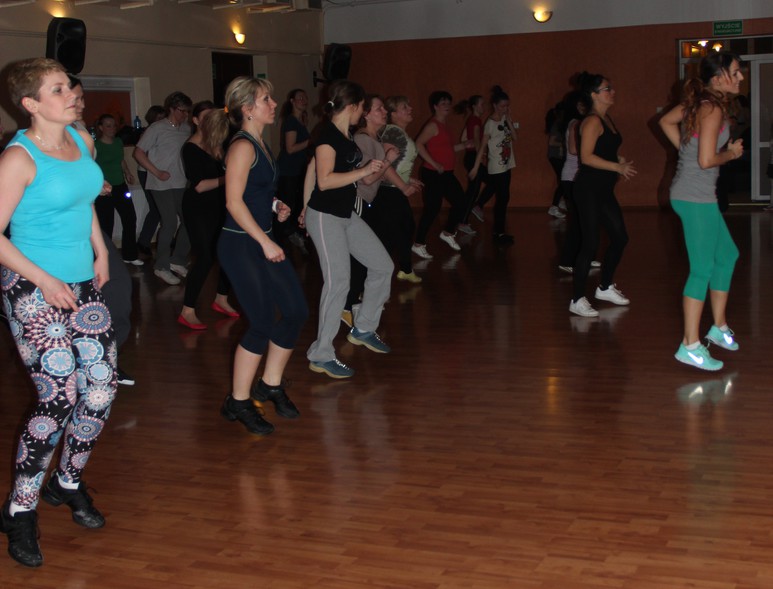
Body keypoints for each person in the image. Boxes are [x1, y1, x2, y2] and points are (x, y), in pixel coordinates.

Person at [0, 57, 117, 568]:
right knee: (59, 395)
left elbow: (84, 198)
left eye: (69, 85)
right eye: (58, 89)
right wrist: (45, 281)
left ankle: (66, 482)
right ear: (30, 104)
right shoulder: (18, 159)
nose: (72, 93)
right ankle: (19, 509)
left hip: (81, 281)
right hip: (31, 283)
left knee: (101, 388)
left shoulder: (82, 142)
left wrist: (102, 249)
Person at [215, 76, 309, 434]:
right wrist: (266, 241)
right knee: (261, 322)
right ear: (247, 108)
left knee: (297, 310)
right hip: (241, 245)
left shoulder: (260, 143)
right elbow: (233, 202)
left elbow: (252, 194)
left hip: (261, 238)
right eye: (266, 99)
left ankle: (269, 384)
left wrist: (274, 204)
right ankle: (238, 402)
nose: (273, 104)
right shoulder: (242, 147)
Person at [300, 80, 394, 379]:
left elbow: (348, 179)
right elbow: (323, 179)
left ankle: (364, 327)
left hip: (345, 214)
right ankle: (321, 354)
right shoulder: (327, 136)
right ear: (352, 106)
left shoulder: (346, 135)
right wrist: (307, 208)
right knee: (338, 282)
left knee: (383, 266)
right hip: (326, 216)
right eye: (363, 107)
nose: (364, 112)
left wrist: (378, 167)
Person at [659, 51, 744, 371]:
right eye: (735, 72)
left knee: (728, 255)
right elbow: (707, 160)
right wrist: (731, 153)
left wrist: (684, 149)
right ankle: (689, 345)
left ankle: (717, 328)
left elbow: (665, 120)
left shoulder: (704, 103)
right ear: (718, 76)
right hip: (694, 197)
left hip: (696, 194)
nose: (739, 78)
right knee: (702, 269)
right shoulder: (711, 109)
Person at [569, 71, 637, 317]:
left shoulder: (606, 119)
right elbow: (585, 157)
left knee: (620, 237)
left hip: (604, 190)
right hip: (588, 190)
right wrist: (616, 166)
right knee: (590, 244)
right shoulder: (591, 122)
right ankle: (577, 299)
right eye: (608, 89)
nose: (613, 92)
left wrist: (616, 158)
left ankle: (605, 287)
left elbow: (603, 149)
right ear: (594, 95)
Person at [178, 101, 238, 330]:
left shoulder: (218, 143)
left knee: (229, 253)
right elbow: (200, 185)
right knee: (204, 258)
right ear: (195, 121)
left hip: (220, 205)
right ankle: (187, 310)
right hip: (198, 208)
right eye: (205, 117)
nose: (211, 121)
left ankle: (221, 299)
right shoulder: (190, 147)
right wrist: (230, 177)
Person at [343, 95, 403, 321]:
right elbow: (367, 179)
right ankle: (348, 306)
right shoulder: (362, 139)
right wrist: (388, 160)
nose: (384, 112)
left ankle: (355, 301)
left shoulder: (373, 139)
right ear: (366, 114)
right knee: (360, 257)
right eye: (379, 109)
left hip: (367, 201)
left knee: (370, 253)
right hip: (357, 200)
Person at [133, 92, 192, 286]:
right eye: (182, 111)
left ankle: (178, 260)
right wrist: (156, 172)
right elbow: (138, 153)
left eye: (187, 112)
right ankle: (161, 267)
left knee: (189, 221)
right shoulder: (157, 128)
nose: (185, 115)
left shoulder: (186, 129)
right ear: (172, 109)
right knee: (169, 223)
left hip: (180, 182)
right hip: (160, 183)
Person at [413, 90, 471, 258]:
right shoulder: (432, 125)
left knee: (461, 202)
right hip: (432, 173)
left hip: (445, 174)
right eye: (443, 103)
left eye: (448, 103)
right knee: (432, 209)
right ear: (435, 106)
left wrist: (464, 145)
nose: (447, 106)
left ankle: (447, 233)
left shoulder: (444, 126)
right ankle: (418, 243)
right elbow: (418, 144)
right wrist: (434, 163)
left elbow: (447, 150)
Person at [379, 95, 424, 282]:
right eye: (404, 107)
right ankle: (379, 276)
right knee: (395, 232)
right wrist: (404, 186)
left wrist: (408, 179)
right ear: (393, 114)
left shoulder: (398, 132)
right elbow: (385, 164)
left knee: (402, 229)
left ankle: (403, 269)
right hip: (388, 190)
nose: (410, 109)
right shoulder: (392, 133)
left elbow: (397, 163)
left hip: (393, 188)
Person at [469, 85, 518, 245]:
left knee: (504, 198)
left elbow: (515, 138)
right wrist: (476, 167)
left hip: (506, 163)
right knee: (502, 198)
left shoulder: (504, 119)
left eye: (507, 106)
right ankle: (499, 233)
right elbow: (482, 146)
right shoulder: (489, 124)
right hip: (496, 167)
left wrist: (509, 119)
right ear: (495, 105)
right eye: (503, 106)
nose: (505, 108)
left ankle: (499, 232)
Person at [94, 113, 141, 265]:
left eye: (114, 125)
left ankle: (130, 255)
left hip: (120, 186)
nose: (112, 128)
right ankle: (105, 258)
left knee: (130, 218)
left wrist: (127, 173)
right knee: (106, 224)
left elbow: (121, 160)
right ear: (101, 128)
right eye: (108, 125)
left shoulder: (118, 141)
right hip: (104, 190)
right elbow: (90, 166)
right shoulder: (96, 146)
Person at [276, 88, 311, 249]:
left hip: (296, 170)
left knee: (295, 205)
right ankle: (281, 241)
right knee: (287, 206)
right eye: (299, 98)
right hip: (288, 171)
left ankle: (291, 238)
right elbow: (290, 148)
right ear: (292, 101)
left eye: (305, 98)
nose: (303, 100)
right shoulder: (291, 121)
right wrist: (311, 142)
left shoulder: (301, 121)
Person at [136, 105, 166, 256]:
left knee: (163, 209)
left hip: (160, 174)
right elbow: (141, 155)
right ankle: (144, 241)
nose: (161, 121)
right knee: (155, 208)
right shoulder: (148, 132)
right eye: (158, 118)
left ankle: (162, 239)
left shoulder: (164, 132)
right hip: (147, 173)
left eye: (163, 118)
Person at [455, 94, 485, 231]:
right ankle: (463, 221)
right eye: (481, 104)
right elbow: (477, 140)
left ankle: (472, 210)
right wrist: (479, 159)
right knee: (473, 191)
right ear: (474, 106)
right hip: (473, 157)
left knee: (477, 188)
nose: (483, 107)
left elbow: (464, 138)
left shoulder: (472, 120)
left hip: (472, 156)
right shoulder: (475, 120)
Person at [546, 100, 567, 219]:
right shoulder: (556, 124)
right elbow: (552, 142)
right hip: (555, 157)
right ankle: (553, 207)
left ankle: (560, 202)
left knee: (563, 180)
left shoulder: (560, 124)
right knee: (564, 181)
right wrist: (564, 144)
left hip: (557, 157)